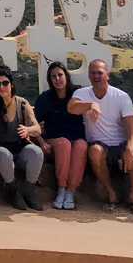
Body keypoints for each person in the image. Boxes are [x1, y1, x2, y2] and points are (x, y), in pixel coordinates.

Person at [69, 58, 133, 213]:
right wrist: (90, 105)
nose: (96, 76)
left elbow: (132, 126)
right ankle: (111, 193)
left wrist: (129, 147)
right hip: (99, 143)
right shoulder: (82, 93)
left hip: (121, 142)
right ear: (89, 76)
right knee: (95, 151)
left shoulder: (121, 96)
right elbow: (72, 108)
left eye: (100, 73)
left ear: (107, 75)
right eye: (93, 73)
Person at [0, 66, 43, 211]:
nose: (2, 87)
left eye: (5, 83)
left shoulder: (22, 103)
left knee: (36, 152)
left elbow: (37, 129)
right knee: (3, 154)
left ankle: (29, 189)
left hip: (19, 149)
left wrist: (27, 129)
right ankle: (13, 190)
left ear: (12, 84)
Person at [35, 61, 87, 211]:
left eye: (60, 75)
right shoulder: (45, 98)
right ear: (49, 80)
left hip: (77, 137)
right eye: (53, 77)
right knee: (64, 143)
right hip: (55, 138)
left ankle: (71, 191)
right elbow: (34, 123)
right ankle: (62, 188)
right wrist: (41, 142)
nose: (57, 79)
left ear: (66, 76)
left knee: (81, 145)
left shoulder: (77, 93)